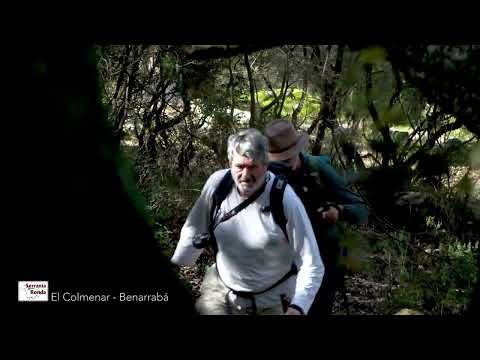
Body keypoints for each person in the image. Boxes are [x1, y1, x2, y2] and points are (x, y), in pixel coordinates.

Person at [171, 128, 324, 315]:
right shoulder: (219, 184)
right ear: (230, 163)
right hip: (221, 290)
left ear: (266, 164)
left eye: (252, 167)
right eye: (239, 167)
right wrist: (179, 263)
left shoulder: (283, 198)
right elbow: (194, 228)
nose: (245, 175)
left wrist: (298, 307)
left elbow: (312, 262)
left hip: (272, 299)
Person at [265, 119, 369, 316]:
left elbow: (360, 208)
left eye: (287, 159)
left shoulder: (318, 168)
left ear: (297, 150)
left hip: (321, 261)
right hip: (280, 264)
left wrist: (338, 211)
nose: (283, 165)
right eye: (277, 160)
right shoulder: (266, 173)